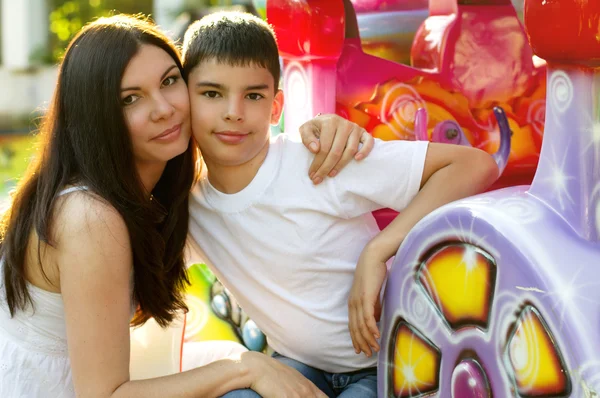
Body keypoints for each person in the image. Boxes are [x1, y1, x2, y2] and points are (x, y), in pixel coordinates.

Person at [0, 14, 374, 398]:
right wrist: (244, 366)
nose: (164, 108)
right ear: (97, 118)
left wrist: (325, 128)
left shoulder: (162, 196)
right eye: (131, 98)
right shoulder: (89, 217)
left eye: (168, 81)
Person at [183, 11, 499, 397]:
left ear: (276, 107)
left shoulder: (318, 160)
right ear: (185, 101)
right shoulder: (191, 207)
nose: (233, 111)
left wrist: (379, 249)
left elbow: (473, 165)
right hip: (296, 366)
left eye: (253, 95)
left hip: (382, 366)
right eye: (212, 93)